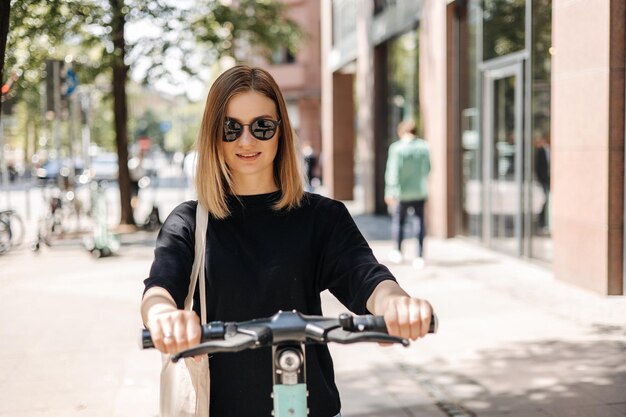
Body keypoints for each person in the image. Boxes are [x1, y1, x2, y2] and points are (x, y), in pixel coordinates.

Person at [140, 65, 434, 417]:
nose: (246, 141)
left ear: (281, 132)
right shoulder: (189, 221)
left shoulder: (323, 217)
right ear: (213, 135)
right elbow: (159, 289)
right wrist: (163, 317)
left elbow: (366, 276)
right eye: (230, 128)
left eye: (262, 127)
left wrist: (398, 304)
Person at [384, 119, 431, 269]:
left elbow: (393, 172)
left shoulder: (396, 149)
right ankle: (419, 256)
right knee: (419, 223)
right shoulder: (424, 147)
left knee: (399, 222)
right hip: (419, 191)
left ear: (401, 132)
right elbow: (428, 169)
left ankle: (398, 251)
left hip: (401, 193)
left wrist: (390, 191)